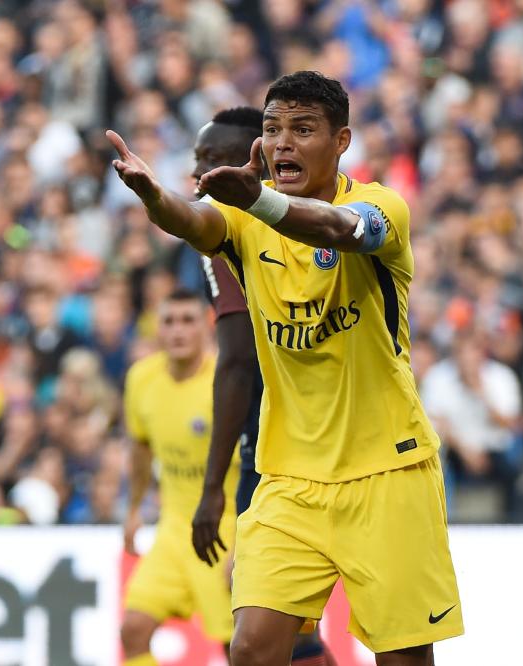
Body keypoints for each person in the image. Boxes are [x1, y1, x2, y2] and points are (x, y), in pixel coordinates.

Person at [108, 70, 463, 665]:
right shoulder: (245, 220)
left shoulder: (379, 207)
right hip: (287, 477)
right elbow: (193, 222)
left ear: (341, 140)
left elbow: (337, 230)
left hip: (387, 472)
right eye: (273, 130)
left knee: (403, 659)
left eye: (303, 130)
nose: (284, 143)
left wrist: (259, 200)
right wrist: (153, 196)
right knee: (251, 648)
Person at [187, 106, 335, 665]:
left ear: (253, 160)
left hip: (278, 443)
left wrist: (212, 489)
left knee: (257, 627)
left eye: (212, 160)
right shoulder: (316, 214)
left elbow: (236, 361)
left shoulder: (233, 229)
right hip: (330, 432)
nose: (198, 173)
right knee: (293, 632)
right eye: (197, 159)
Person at [120, 288, 240, 666]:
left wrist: (247, 544)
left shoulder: (226, 383)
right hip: (174, 528)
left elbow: (259, 466)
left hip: (226, 529)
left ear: (206, 326)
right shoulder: (142, 378)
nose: (178, 331)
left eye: (188, 320)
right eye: (169, 321)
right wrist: (135, 508)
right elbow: (141, 448)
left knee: (236, 647)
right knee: (133, 629)